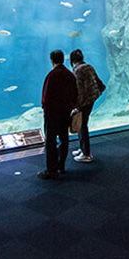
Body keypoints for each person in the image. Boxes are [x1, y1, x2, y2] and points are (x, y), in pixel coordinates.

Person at [39, 49, 78, 180]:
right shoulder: (70, 74)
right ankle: (61, 165)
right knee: (64, 139)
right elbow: (75, 93)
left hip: (52, 114)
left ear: (52, 60)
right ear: (63, 59)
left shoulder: (52, 75)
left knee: (50, 141)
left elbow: (46, 96)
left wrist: (45, 108)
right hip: (66, 112)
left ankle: (51, 170)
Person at [69, 49, 105, 163]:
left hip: (84, 101)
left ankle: (86, 154)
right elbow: (100, 84)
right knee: (82, 124)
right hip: (91, 99)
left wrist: (77, 105)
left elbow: (80, 90)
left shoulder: (77, 70)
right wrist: (95, 96)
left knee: (82, 125)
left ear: (72, 60)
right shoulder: (89, 66)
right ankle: (82, 149)